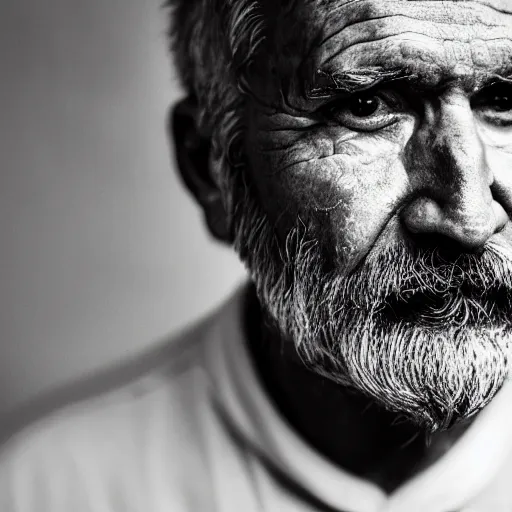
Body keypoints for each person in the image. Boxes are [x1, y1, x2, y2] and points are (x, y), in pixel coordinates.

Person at [2, 0, 512, 510]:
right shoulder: (49, 490)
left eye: (504, 99)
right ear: (212, 170)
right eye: (366, 106)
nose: (469, 218)